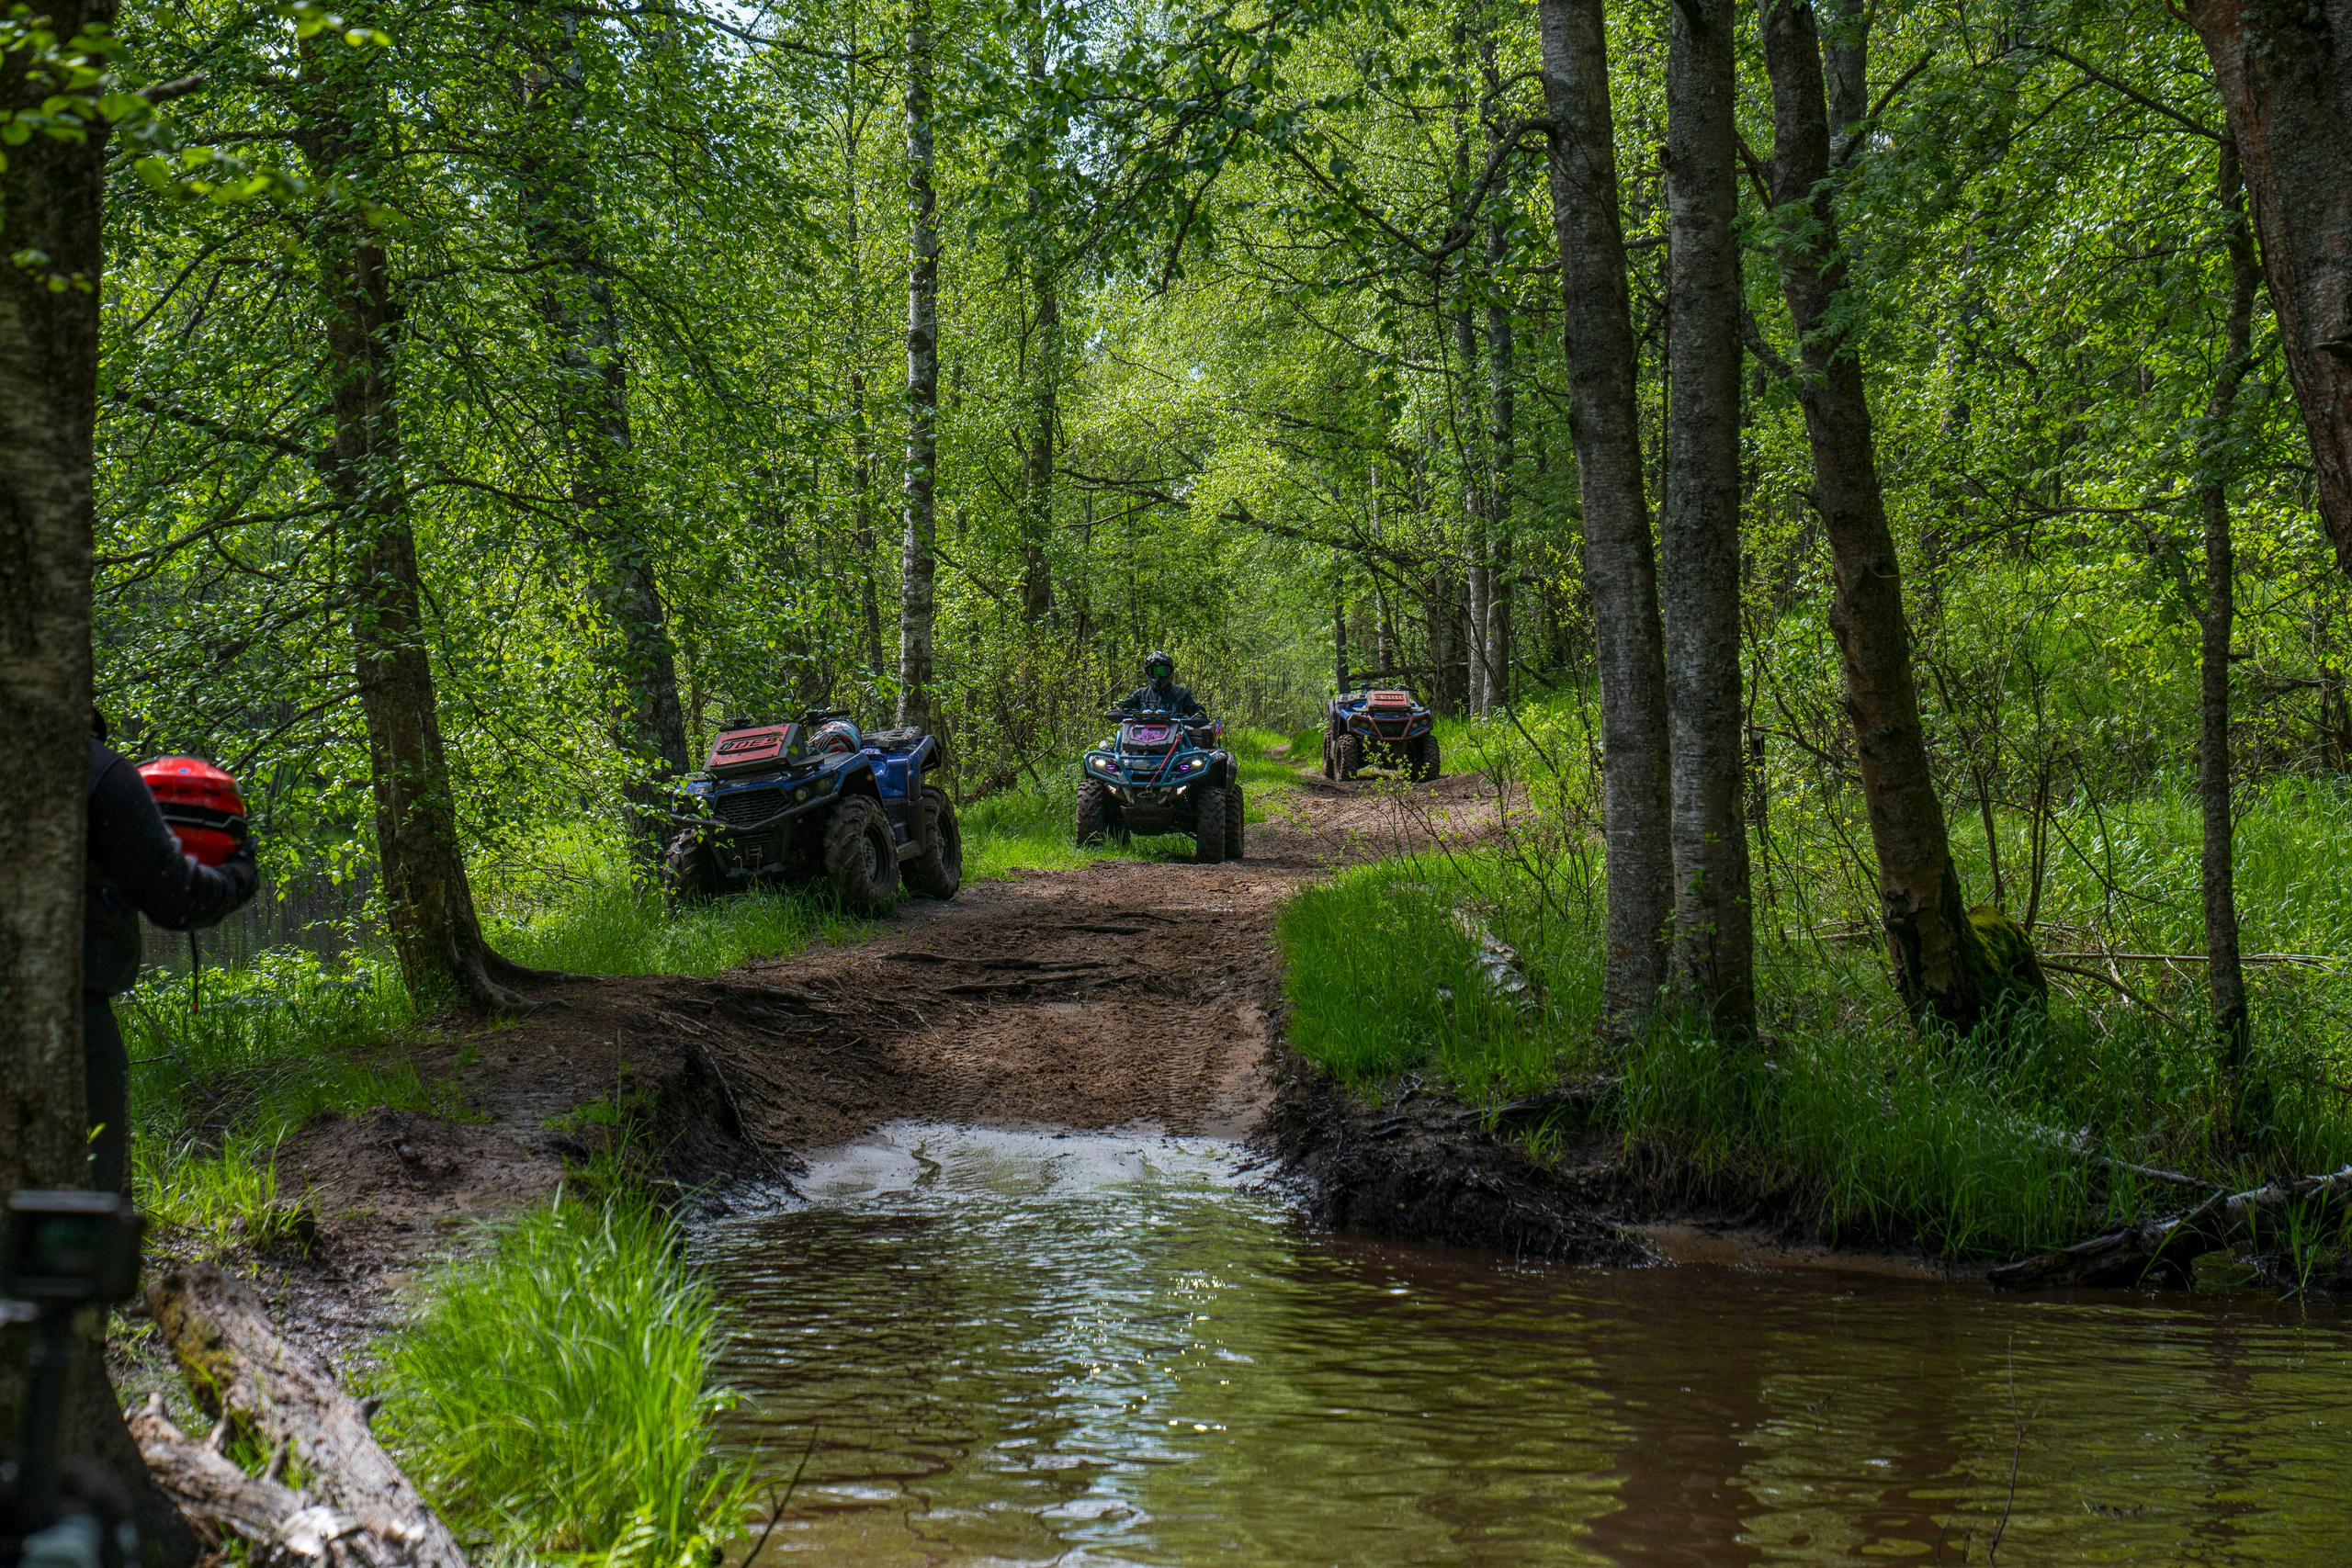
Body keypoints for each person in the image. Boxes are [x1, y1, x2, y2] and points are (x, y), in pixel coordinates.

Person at [85, 712, 257, 1195]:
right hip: (70, 1013)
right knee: (95, 1188)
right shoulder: (99, 772)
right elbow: (177, 897)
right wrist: (239, 874)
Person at [1114, 650, 1205, 720]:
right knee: (1118, 739)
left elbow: (1197, 710)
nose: (1158, 676)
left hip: (1176, 740)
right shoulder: (1141, 694)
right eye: (1154, 672)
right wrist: (1117, 711)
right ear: (1148, 673)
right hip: (1142, 739)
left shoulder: (1181, 694)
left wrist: (1198, 716)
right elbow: (1121, 706)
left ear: (1170, 671)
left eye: (1163, 671)